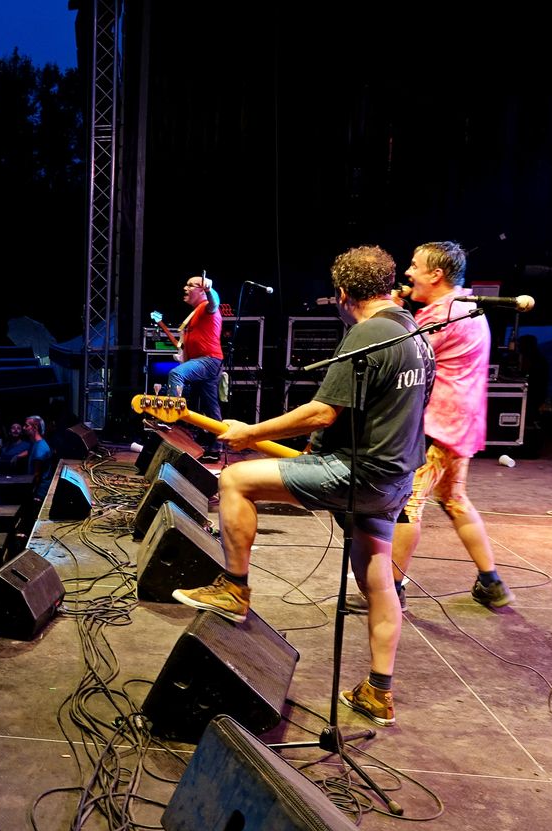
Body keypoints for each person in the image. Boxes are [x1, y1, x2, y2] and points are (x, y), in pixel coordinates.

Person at [170, 246, 434, 728]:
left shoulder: (369, 332)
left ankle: (234, 589)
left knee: (235, 478)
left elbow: (322, 412)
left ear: (343, 293)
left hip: (359, 473)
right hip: (396, 477)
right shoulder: (414, 332)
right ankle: (379, 691)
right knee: (377, 579)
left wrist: (250, 433)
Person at [377, 242, 512, 610]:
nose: (408, 273)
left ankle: (390, 591)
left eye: (414, 266)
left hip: (439, 426)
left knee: (408, 505)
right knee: (454, 498)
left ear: (436, 274)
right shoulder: (467, 307)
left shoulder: (444, 314)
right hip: (460, 422)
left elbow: (399, 356)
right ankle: (491, 582)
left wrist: (389, 310)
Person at [167, 274, 227, 462]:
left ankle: (170, 415)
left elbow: (215, 303)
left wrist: (210, 289)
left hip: (208, 360)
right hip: (208, 361)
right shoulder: (195, 313)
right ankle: (216, 448)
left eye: (190, 285)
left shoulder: (206, 306)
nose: (185, 288)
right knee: (211, 407)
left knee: (176, 374)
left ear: (201, 291)